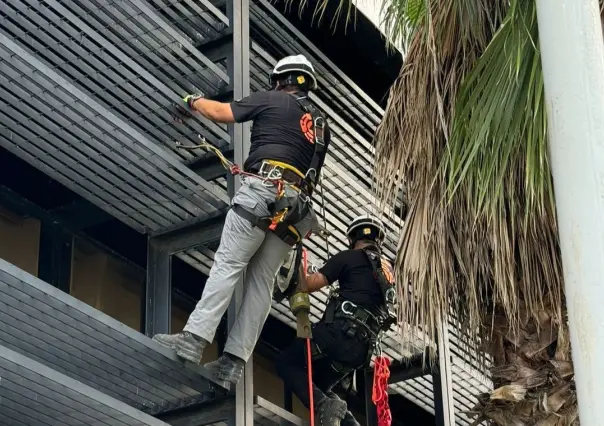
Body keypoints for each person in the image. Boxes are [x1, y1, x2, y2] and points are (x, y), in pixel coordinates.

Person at [153, 55, 331, 389]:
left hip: (263, 191)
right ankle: (232, 365)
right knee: (261, 283)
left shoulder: (272, 98)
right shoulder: (321, 124)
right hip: (294, 211)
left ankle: (194, 339)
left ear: (280, 81)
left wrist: (192, 101)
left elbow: (222, 113)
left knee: (228, 264)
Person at [276, 215, 397, 426]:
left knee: (287, 362)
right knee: (317, 386)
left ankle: (323, 406)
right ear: (378, 241)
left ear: (352, 239)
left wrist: (291, 266)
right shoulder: (389, 274)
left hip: (337, 335)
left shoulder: (349, 257)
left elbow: (309, 284)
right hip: (360, 352)